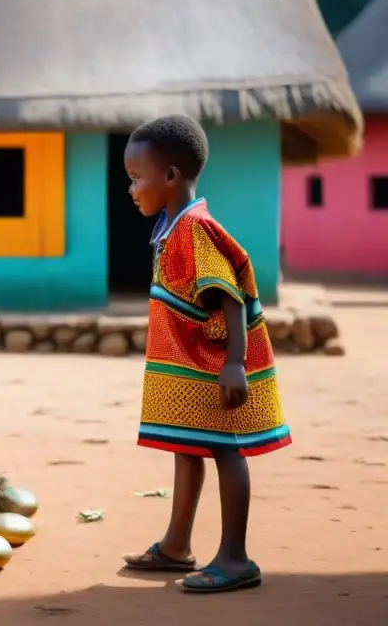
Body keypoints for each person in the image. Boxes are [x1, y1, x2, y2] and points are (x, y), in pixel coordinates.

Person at [120, 115, 291, 593]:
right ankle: (177, 545)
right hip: (189, 374)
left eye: (137, 178)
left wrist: (235, 362)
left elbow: (229, 295)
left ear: (170, 177)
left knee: (225, 450)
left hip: (212, 369)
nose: (131, 189)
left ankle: (235, 557)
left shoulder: (195, 230)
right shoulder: (171, 227)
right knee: (186, 445)